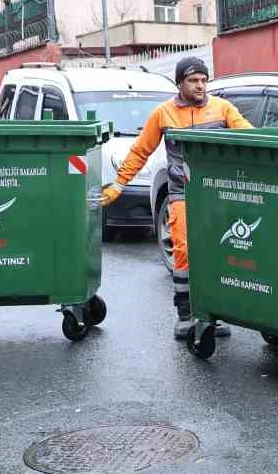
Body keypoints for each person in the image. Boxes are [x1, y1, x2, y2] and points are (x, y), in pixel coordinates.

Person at [100, 57, 251, 341]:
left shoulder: (223, 109)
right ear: (180, 83)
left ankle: (214, 313)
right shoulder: (164, 114)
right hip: (182, 193)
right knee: (183, 252)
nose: (201, 86)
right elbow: (140, 151)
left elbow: (251, 139)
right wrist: (119, 184)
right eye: (194, 81)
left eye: (204, 81)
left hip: (216, 195)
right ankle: (186, 314)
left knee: (217, 253)